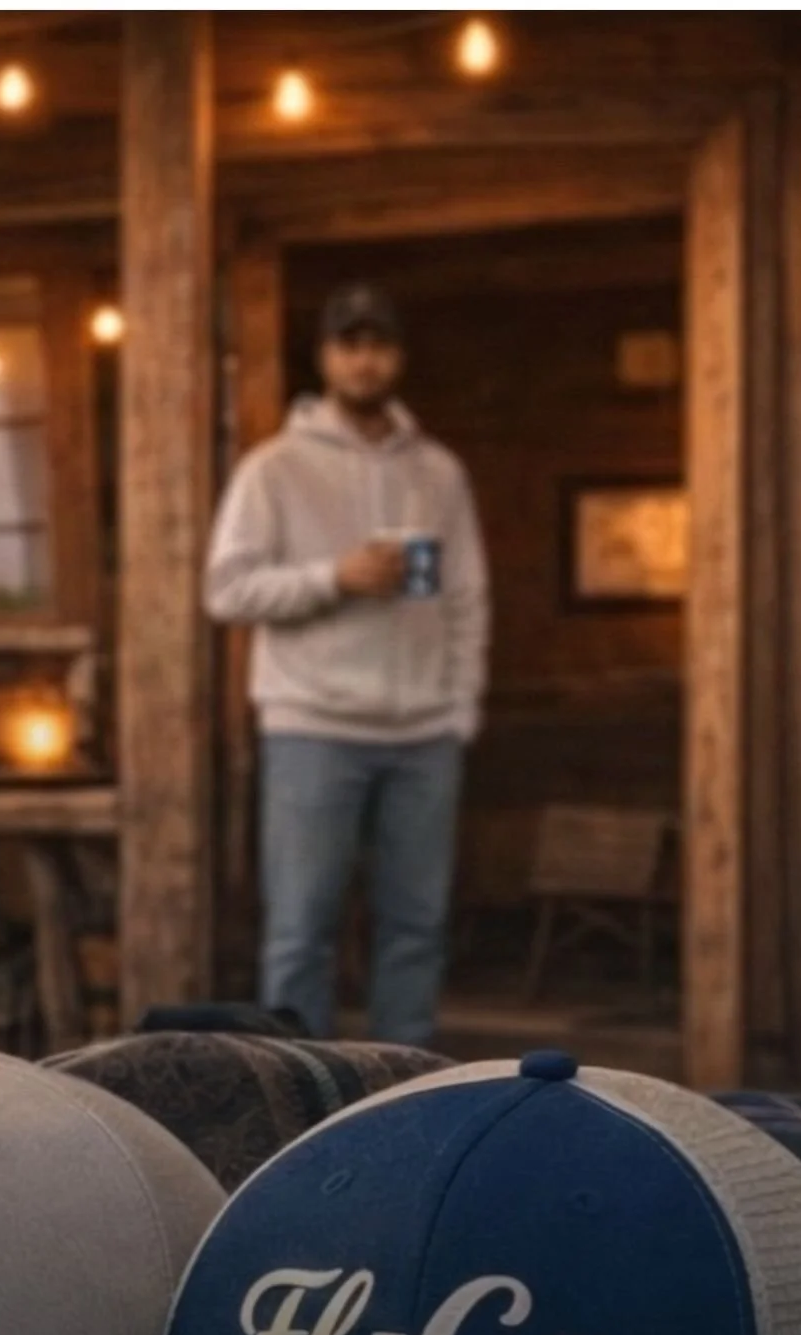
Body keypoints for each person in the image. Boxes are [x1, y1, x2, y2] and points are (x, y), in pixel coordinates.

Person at [204, 282, 489, 1047]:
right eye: (349, 343)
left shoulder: (440, 472)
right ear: (326, 356)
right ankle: (297, 1095)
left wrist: (459, 710)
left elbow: (467, 597)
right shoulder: (274, 469)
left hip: (425, 734)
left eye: (379, 343)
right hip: (313, 728)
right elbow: (224, 589)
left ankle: (405, 1094)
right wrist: (335, 576)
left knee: (417, 929)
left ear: (397, 356)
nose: (365, 360)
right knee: (300, 931)